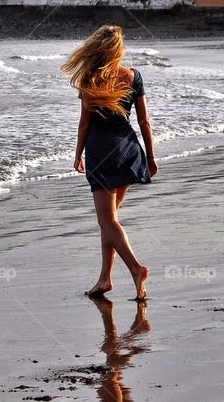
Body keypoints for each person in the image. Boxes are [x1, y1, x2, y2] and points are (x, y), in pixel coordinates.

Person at [61, 25, 158, 300]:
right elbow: (144, 121)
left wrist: (77, 154)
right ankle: (105, 278)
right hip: (127, 148)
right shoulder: (134, 76)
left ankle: (137, 269)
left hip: (101, 149)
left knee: (107, 221)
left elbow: (84, 125)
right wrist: (150, 156)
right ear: (118, 49)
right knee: (110, 221)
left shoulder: (91, 78)